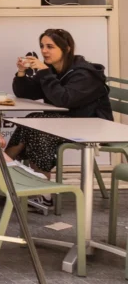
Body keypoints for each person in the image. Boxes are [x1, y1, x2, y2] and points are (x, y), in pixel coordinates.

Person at [6, 29, 112, 176]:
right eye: (42, 46)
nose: (44, 51)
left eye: (50, 47)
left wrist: (44, 72)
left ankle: (41, 187)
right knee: (32, 120)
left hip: (91, 126)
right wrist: (21, 73)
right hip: (65, 123)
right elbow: (26, 93)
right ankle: (3, 169)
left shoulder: (85, 74)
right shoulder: (53, 70)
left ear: (66, 48)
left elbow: (64, 100)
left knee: (40, 126)